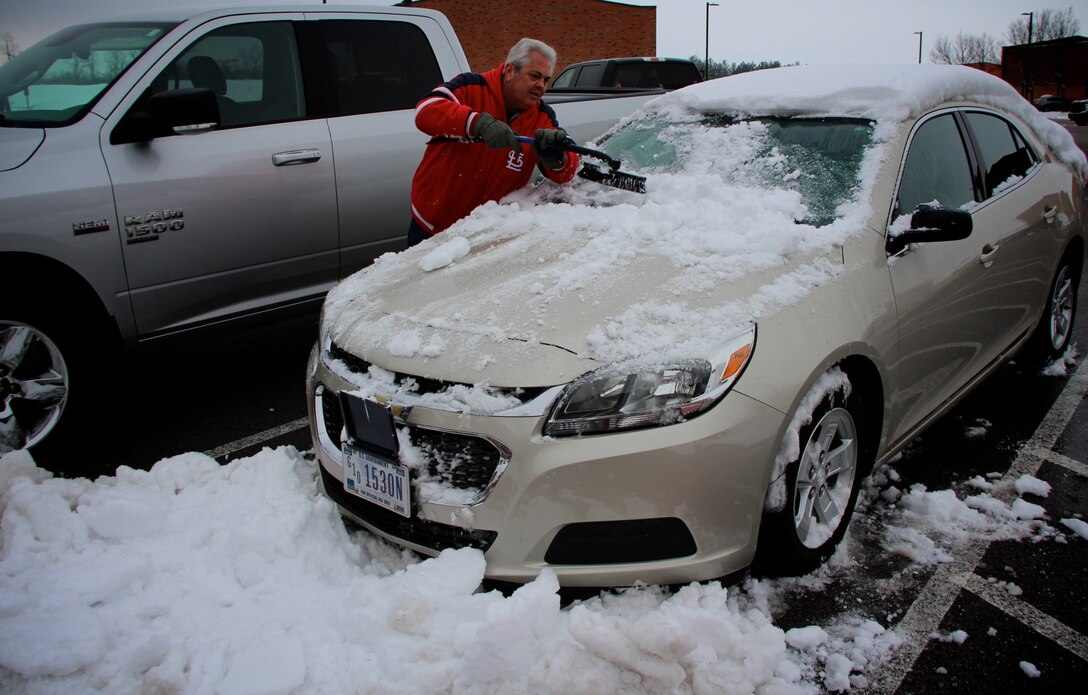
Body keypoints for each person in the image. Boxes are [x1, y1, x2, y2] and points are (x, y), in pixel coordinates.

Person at [406, 38, 580, 246]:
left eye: (546, 80)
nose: (541, 86)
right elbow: (426, 111)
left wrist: (557, 158)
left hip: (485, 236)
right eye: (534, 76)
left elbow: (566, 170)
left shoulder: (542, 117)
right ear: (509, 71)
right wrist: (476, 123)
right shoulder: (472, 87)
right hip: (432, 227)